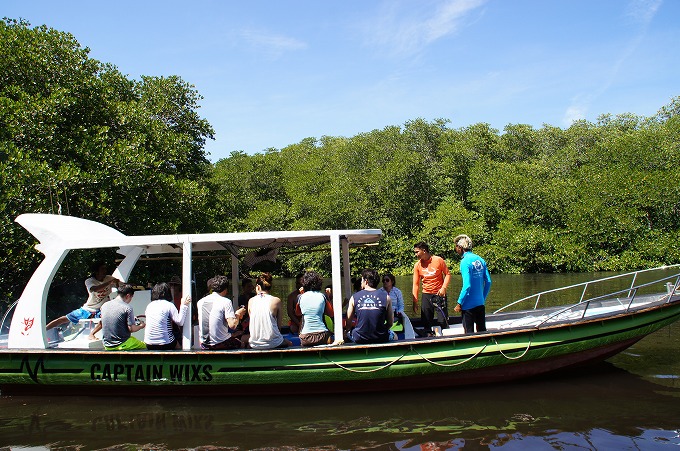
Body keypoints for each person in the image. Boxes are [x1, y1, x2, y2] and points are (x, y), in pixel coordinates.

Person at [46, 261, 119, 339]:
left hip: (101, 309)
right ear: (96, 271)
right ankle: (43, 331)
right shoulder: (89, 281)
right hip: (88, 308)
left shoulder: (109, 278)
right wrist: (110, 283)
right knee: (62, 320)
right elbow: (94, 289)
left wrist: (125, 285)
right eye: (102, 269)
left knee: (107, 317)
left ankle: (92, 334)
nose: (105, 271)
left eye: (105, 269)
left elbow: (122, 285)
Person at [453, 234, 492, 334]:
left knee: (469, 334)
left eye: (456, 247)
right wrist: (482, 298)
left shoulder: (465, 262)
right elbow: (488, 282)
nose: (455, 249)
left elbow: (467, 285)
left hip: (468, 305)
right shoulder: (480, 259)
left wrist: (459, 303)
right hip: (480, 303)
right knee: (482, 332)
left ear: (460, 248)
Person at [346, 269, 395, 344]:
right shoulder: (387, 297)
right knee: (394, 335)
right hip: (380, 337)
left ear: (366, 281)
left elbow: (348, 324)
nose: (361, 282)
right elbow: (390, 323)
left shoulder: (354, 297)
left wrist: (347, 331)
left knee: (345, 334)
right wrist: (381, 331)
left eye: (362, 279)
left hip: (359, 337)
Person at [243, 273, 292, 349]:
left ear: (258, 287)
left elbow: (253, 323)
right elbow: (279, 327)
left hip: (255, 343)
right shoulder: (276, 301)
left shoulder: (251, 301)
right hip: (273, 342)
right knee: (290, 343)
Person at [412, 241, 451, 336]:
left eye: (417, 252)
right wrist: (415, 301)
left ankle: (446, 337)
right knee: (425, 322)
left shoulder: (438, 260)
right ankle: (428, 337)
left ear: (424, 251)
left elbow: (448, 274)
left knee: (442, 321)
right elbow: (416, 284)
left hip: (439, 294)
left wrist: (444, 288)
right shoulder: (417, 265)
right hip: (426, 294)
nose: (415, 254)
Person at [197, 275, 246, 350]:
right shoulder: (226, 301)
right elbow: (232, 325)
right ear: (225, 289)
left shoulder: (200, 302)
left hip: (204, 344)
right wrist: (238, 314)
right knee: (242, 344)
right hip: (220, 343)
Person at [144, 282, 191, 350]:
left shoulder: (149, 306)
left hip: (149, 343)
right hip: (165, 343)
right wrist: (184, 305)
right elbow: (180, 322)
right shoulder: (169, 305)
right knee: (178, 346)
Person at [99, 283, 146, 350]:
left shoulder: (104, 305)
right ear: (128, 296)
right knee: (145, 346)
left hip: (107, 345)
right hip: (122, 344)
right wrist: (142, 325)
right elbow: (131, 329)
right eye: (131, 297)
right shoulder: (127, 308)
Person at [296, 271, 334, 347]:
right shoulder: (323, 296)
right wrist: (328, 297)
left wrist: (303, 295)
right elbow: (331, 314)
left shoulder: (300, 297)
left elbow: (298, 313)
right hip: (323, 336)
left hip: (306, 337)